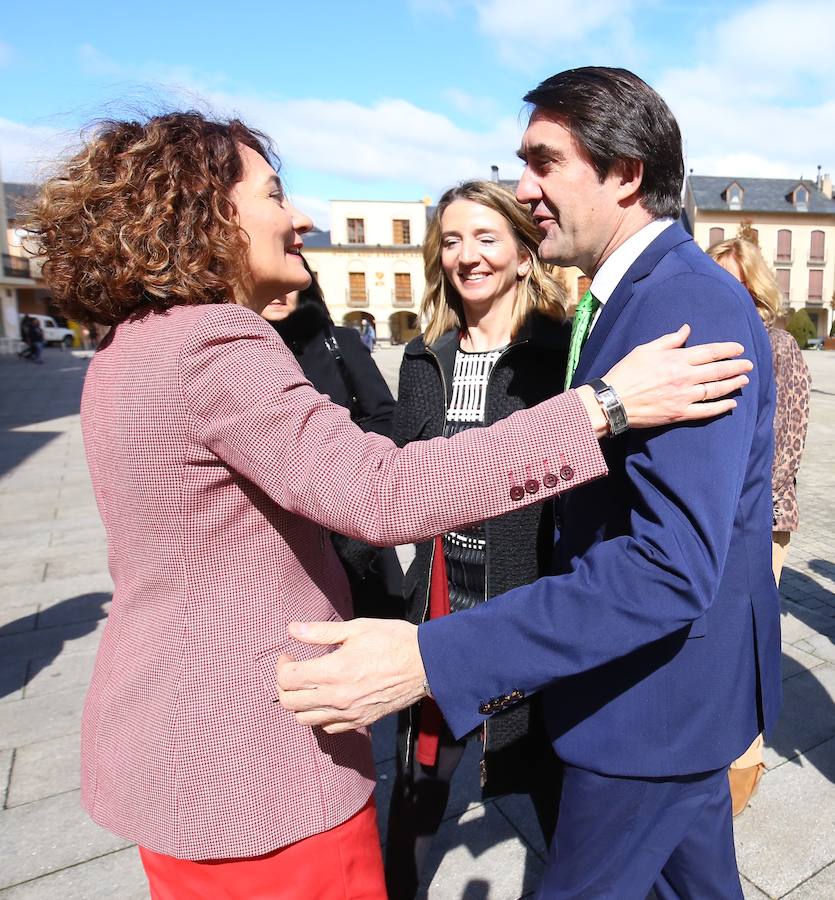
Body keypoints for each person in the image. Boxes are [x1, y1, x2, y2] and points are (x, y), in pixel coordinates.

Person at [24, 111, 745, 900]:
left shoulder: (131, 344)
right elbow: (379, 489)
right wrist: (602, 406)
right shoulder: (212, 343)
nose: (301, 216)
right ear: (205, 212)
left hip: (173, 750)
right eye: (274, 194)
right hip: (250, 762)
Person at [279, 67, 779, 900]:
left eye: (544, 163)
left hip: (647, 706)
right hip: (668, 701)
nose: (524, 189)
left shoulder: (683, 306)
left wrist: (435, 656)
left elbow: (668, 564)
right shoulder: (632, 297)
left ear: (624, 173)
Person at [384, 179, 569, 898]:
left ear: (524, 255)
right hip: (443, 604)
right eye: (452, 240)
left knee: (549, 771)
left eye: (486, 238)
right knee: (424, 769)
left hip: (529, 603)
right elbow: (404, 483)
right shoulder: (422, 359)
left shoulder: (557, 356)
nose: (467, 256)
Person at [708, 236, 811, 815]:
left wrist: (747, 518)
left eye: (737, 281)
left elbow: (786, 444)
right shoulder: (707, 345)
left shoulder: (779, 344)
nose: (729, 293)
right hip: (712, 518)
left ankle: (746, 756)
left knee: (749, 636)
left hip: (759, 520)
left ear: (756, 285)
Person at [262, 257, 403, 618]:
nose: (280, 294)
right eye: (268, 282)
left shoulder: (337, 342)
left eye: (289, 284)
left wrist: (343, 459)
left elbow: (385, 415)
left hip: (351, 524)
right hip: (281, 537)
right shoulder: (242, 352)